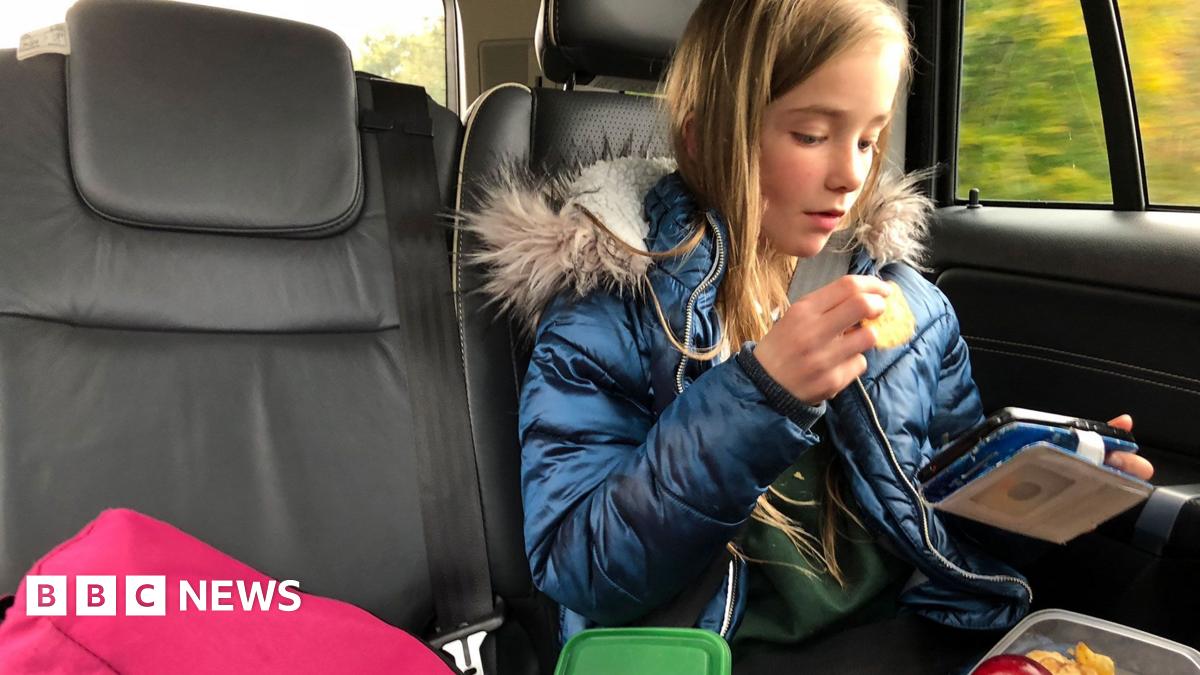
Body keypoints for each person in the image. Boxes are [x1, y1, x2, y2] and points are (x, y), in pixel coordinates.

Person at [462, 0, 1154, 670]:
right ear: (707, 138)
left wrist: (1046, 491)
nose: (852, 172)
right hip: (721, 652)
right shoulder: (612, 305)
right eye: (812, 135)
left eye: (867, 137)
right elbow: (582, 566)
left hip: (911, 632)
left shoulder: (908, 307)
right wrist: (761, 396)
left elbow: (944, 521)